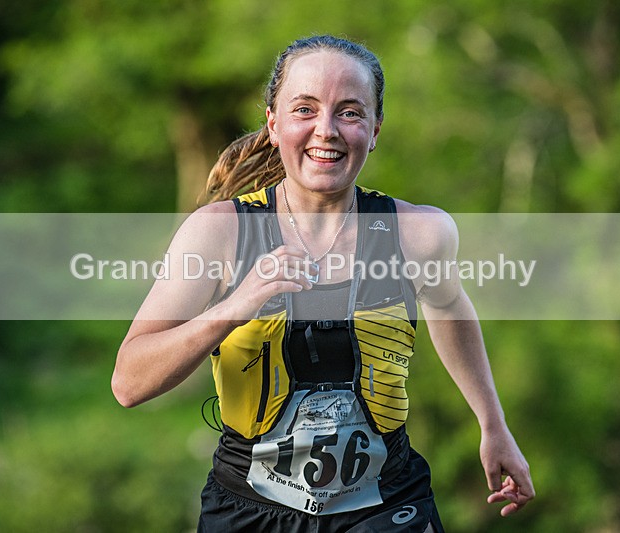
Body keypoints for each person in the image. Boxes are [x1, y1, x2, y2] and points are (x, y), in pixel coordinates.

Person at [112, 35, 534, 532]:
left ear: (375, 129)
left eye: (350, 112)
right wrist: (239, 302)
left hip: (387, 506)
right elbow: (129, 383)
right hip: (248, 508)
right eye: (304, 109)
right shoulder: (219, 232)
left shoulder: (420, 233)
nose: (326, 131)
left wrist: (493, 425)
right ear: (274, 123)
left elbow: (448, 307)